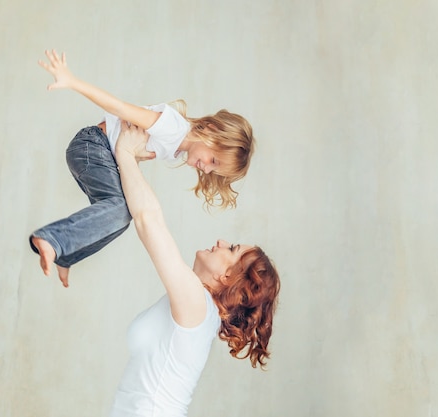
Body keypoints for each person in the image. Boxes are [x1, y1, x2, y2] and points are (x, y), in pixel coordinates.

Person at [29, 50, 255, 287]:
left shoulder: (176, 146)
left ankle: (67, 255)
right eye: (214, 161)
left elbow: (127, 149)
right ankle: (52, 239)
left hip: (100, 154)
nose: (207, 170)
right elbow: (118, 107)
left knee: (121, 219)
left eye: (213, 170)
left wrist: (131, 158)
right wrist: (72, 81)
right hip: (92, 146)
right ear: (209, 130)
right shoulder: (172, 127)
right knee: (120, 210)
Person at [108, 121, 280, 416]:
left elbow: (149, 221)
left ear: (228, 276)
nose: (221, 241)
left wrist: (125, 152)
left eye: (232, 249)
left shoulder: (197, 305)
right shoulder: (199, 311)